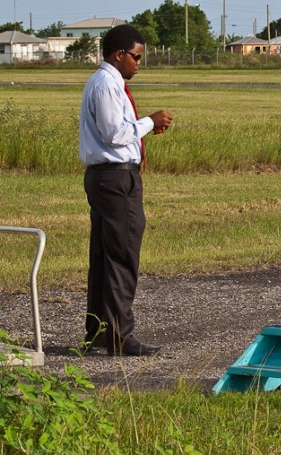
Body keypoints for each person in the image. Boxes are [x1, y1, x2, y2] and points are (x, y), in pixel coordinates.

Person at [78, 24, 173, 357]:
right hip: (115, 181)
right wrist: (149, 121)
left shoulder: (108, 83)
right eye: (135, 57)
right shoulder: (106, 84)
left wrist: (142, 131)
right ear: (118, 55)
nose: (138, 63)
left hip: (110, 178)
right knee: (122, 255)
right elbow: (114, 134)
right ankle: (119, 336)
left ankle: (99, 332)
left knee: (104, 256)